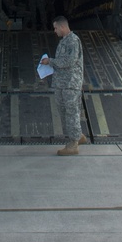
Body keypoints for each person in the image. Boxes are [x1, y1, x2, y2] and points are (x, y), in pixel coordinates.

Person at [39, 16, 85, 155]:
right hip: (61, 83)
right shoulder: (64, 41)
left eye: (56, 28)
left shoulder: (73, 41)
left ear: (63, 27)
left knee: (71, 112)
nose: (55, 31)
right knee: (63, 110)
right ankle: (78, 135)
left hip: (71, 83)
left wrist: (50, 61)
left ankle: (73, 143)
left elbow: (70, 61)